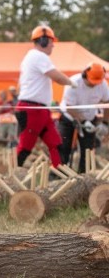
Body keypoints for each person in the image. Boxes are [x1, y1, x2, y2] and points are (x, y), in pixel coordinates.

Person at [15, 25, 76, 168]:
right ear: (43, 41)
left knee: (56, 144)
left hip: (40, 110)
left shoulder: (32, 57)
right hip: (32, 109)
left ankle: (58, 173)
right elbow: (58, 77)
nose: (53, 45)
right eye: (51, 41)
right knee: (25, 147)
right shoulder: (38, 56)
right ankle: (11, 175)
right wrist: (71, 82)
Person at [58, 63, 109, 173]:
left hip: (90, 118)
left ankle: (84, 175)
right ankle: (59, 175)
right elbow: (69, 107)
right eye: (92, 81)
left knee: (88, 150)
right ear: (84, 75)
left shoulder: (103, 84)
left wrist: (104, 122)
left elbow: (107, 103)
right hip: (69, 118)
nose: (94, 85)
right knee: (64, 147)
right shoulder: (73, 83)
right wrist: (83, 121)